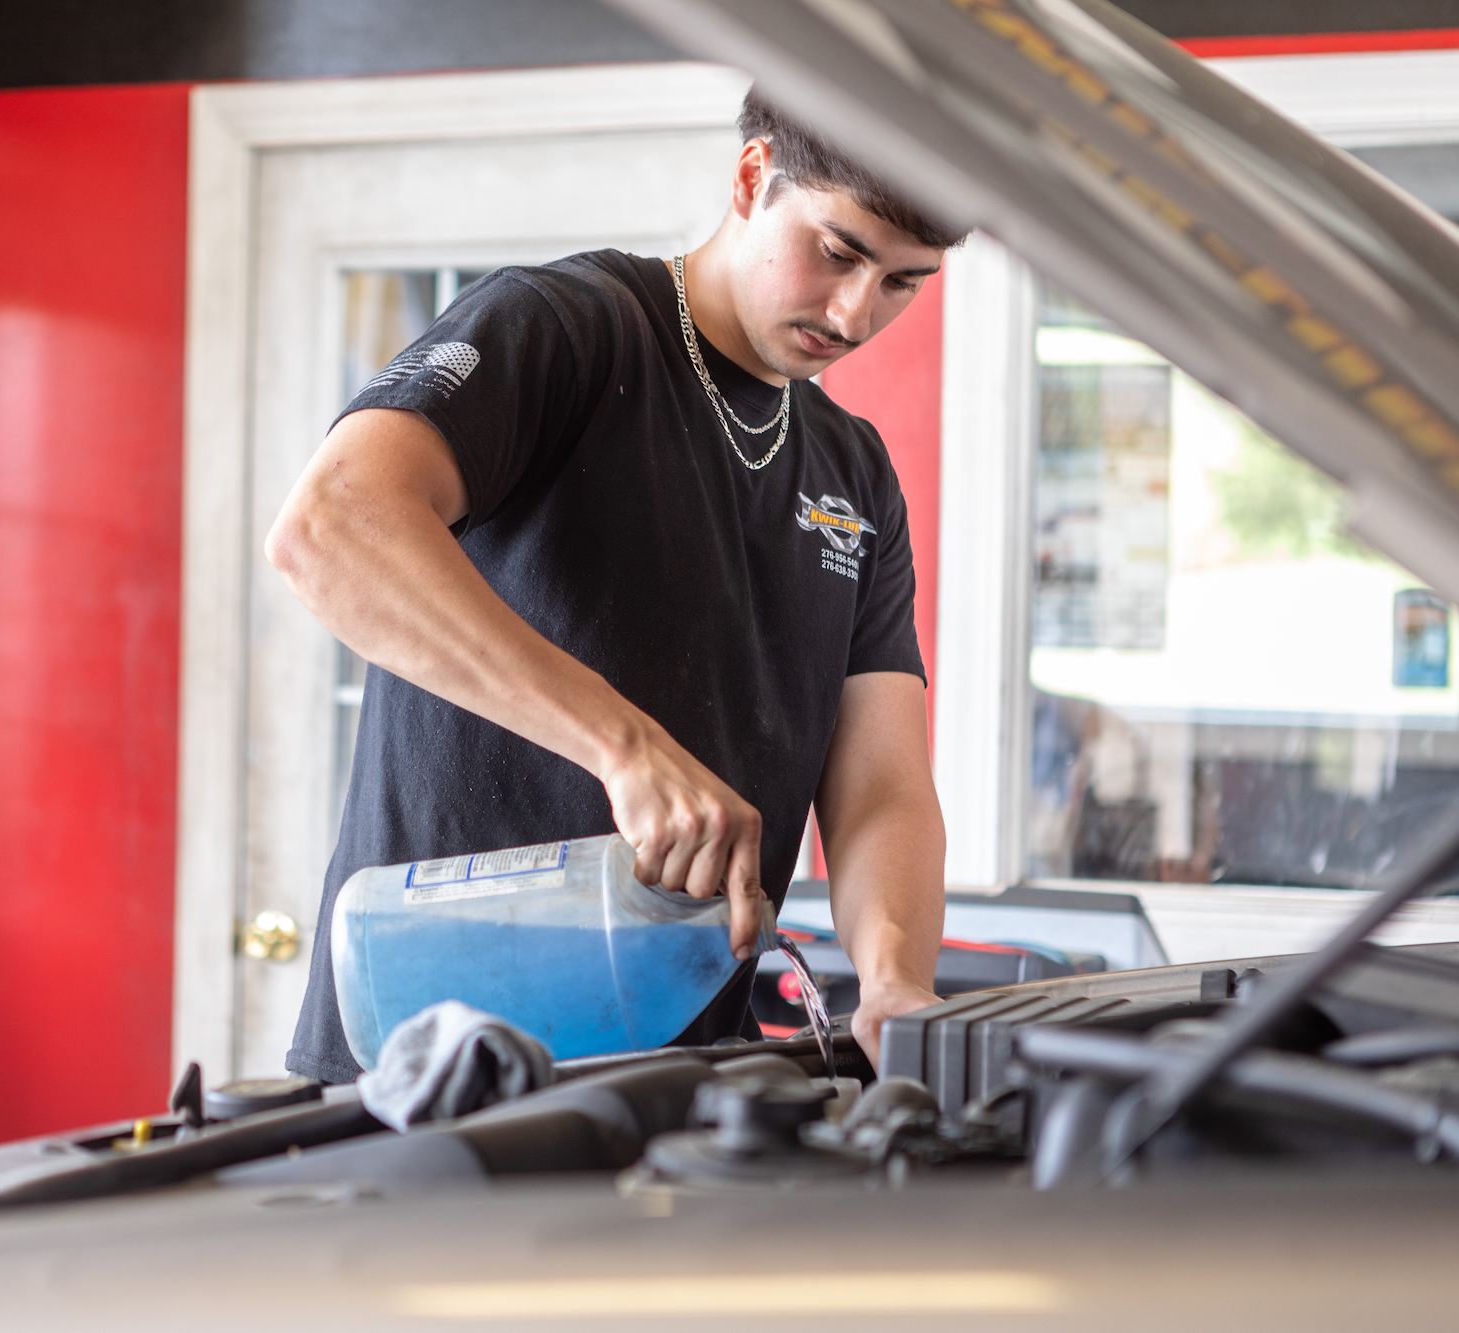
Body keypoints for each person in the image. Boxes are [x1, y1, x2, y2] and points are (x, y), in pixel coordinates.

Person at [269, 88, 965, 1084]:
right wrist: (623, 746)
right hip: (429, 1064)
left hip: (678, 1077)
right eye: (838, 251)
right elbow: (328, 527)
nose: (857, 312)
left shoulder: (852, 472)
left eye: (904, 282)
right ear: (749, 177)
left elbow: (882, 789)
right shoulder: (563, 330)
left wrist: (894, 980)